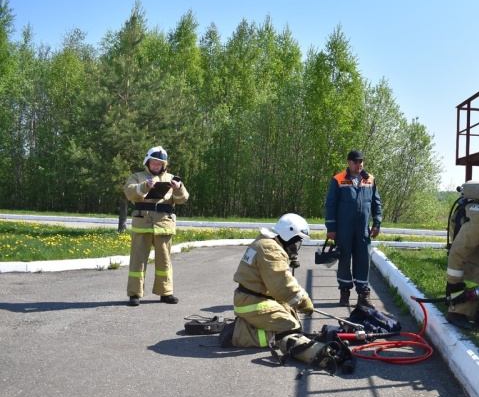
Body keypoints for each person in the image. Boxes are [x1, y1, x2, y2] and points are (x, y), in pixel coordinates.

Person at [221, 214, 350, 370]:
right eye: (296, 240)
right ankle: (238, 335)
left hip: (253, 298)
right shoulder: (270, 250)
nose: (296, 246)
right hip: (253, 302)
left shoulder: (266, 243)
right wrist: (304, 302)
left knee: (294, 320)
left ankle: (248, 325)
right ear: (288, 234)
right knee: (289, 328)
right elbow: (282, 286)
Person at [123, 146, 189, 306]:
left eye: (159, 164)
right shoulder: (137, 177)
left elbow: (183, 199)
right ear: (147, 162)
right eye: (153, 163)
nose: (156, 166)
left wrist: (178, 189)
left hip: (164, 225)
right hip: (142, 224)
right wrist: (145, 186)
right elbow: (129, 192)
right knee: (137, 261)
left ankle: (165, 293)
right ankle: (134, 294)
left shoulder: (171, 178)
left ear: (164, 165)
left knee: (164, 261)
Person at [325, 149, 383, 308]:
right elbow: (330, 204)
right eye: (355, 161)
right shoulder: (338, 179)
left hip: (363, 230)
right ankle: (344, 293)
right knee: (344, 260)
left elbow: (376, 203)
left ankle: (363, 295)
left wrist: (377, 223)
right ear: (348, 162)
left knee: (363, 260)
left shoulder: (370, 180)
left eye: (361, 161)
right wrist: (331, 227)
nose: (359, 164)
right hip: (344, 229)